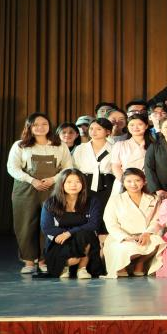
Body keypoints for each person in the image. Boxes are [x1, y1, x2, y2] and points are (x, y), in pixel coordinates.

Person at [9, 113, 73, 274]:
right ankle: (29, 262)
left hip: (52, 189)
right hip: (26, 189)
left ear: (49, 126)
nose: (40, 127)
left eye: (44, 124)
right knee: (25, 225)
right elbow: (12, 168)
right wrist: (32, 180)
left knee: (49, 224)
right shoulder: (20, 145)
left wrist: (53, 179)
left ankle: (44, 260)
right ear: (29, 127)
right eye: (35, 124)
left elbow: (68, 167)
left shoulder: (59, 145)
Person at [38, 169, 104, 279]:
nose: (73, 185)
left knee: (85, 234)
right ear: (62, 184)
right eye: (69, 182)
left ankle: (82, 269)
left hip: (83, 240)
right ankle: (64, 267)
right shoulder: (51, 203)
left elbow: (94, 224)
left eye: (77, 181)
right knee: (73, 258)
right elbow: (47, 228)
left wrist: (69, 233)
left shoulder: (92, 201)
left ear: (83, 184)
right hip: (60, 241)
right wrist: (66, 235)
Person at [101, 168, 161, 278]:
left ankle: (140, 264)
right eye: (129, 181)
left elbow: (157, 219)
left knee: (159, 242)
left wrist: (147, 234)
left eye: (137, 180)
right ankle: (121, 267)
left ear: (144, 181)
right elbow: (110, 222)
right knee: (124, 247)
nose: (133, 184)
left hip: (145, 235)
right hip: (121, 237)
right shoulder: (115, 199)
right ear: (123, 182)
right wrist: (126, 237)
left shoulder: (154, 198)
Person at [72, 118, 116, 197]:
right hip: (84, 182)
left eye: (99, 129)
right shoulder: (80, 148)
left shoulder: (114, 148)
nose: (93, 131)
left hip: (107, 183)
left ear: (108, 131)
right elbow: (75, 167)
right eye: (91, 128)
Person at [110, 114, 152, 191]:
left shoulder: (154, 145)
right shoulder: (120, 145)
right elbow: (116, 166)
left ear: (146, 126)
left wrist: (145, 181)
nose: (135, 127)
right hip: (124, 183)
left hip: (147, 183)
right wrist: (125, 181)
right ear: (127, 127)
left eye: (140, 124)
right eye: (132, 125)